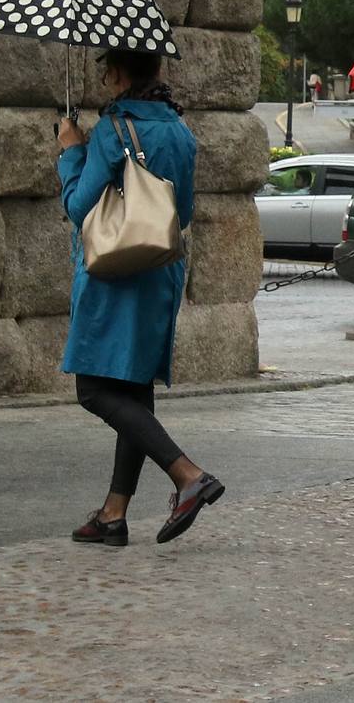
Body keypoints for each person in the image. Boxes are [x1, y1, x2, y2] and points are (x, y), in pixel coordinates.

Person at [60, 49, 222, 548]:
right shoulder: (179, 129)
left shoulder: (113, 129)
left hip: (115, 274)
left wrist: (70, 150)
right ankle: (113, 515)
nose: (103, 75)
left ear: (122, 73)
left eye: (106, 67)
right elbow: (184, 212)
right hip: (161, 273)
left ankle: (186, 474)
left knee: (94, 389)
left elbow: (78, 206)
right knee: (132, 390)